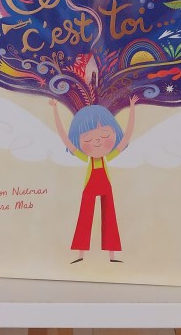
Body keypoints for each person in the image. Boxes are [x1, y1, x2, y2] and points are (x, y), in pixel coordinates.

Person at [49, 96, 137, 262]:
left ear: (114, 132)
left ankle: (112, 256)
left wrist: (132, 108)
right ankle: (80, 255)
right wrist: (55, 111)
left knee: (110, 218)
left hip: (106, 188)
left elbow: (126, 137)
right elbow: (65, 139)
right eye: (87, 139)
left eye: (105, 135)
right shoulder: (86, 158)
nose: (97, 141)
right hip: (90, 188)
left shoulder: (107, 157)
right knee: (85, 218)